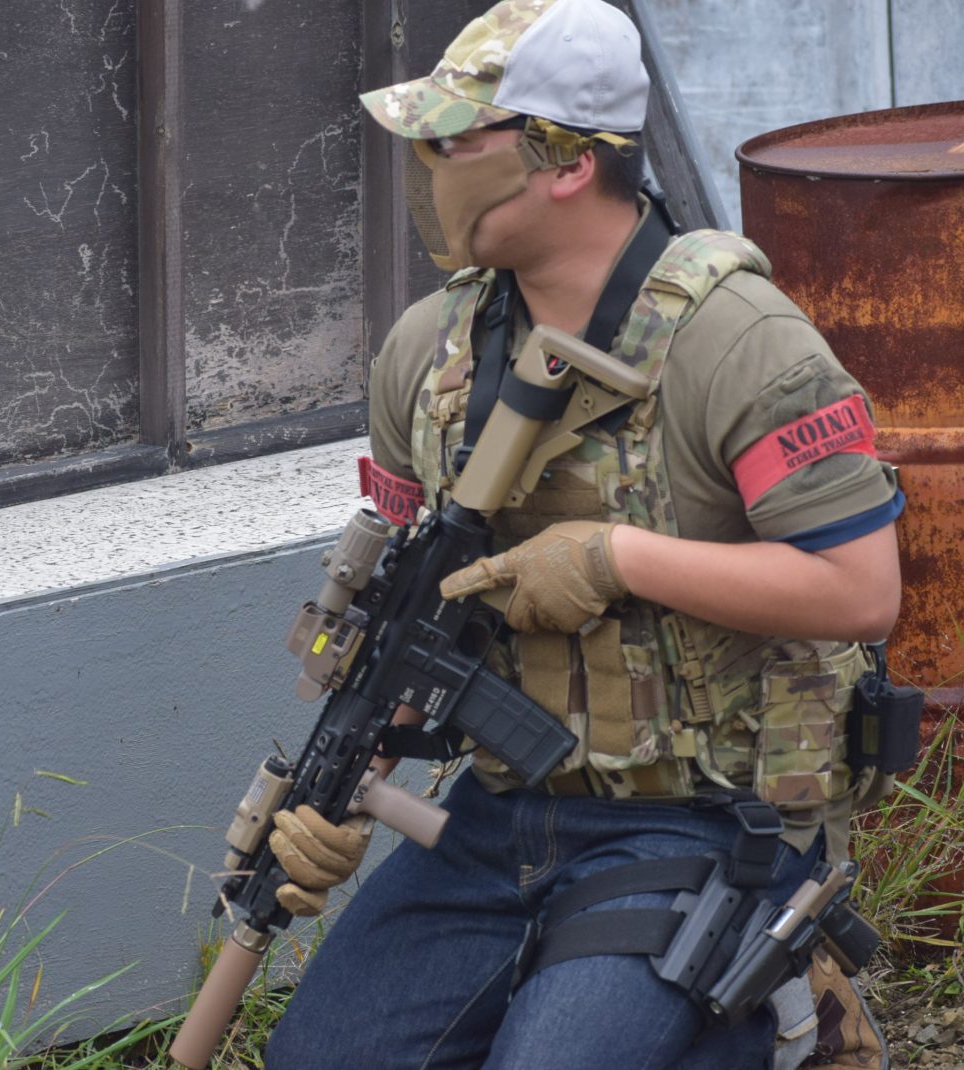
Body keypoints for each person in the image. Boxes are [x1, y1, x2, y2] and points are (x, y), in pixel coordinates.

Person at [261, 1, 905, 1068]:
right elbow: (412, 604)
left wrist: (616, 557)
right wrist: (348, 784)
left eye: (454, 140)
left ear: (565, 161)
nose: (427, 168)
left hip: (707, 818)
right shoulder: (427, 353)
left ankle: (786, 1014)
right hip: (499, 815)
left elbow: (859, 588)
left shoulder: (741, 342)